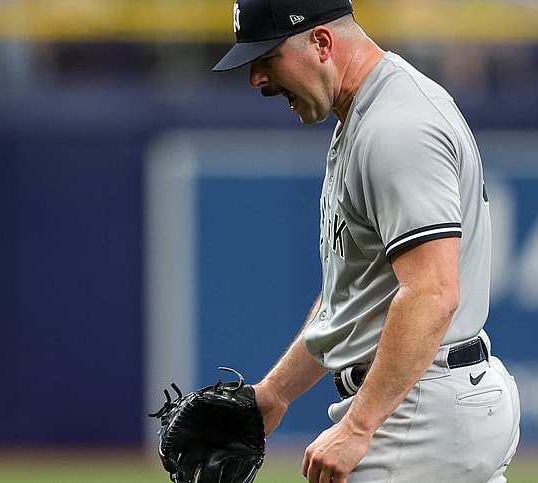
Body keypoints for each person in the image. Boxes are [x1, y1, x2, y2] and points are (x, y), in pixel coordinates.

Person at [212, 0, 520, 481]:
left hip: (420, 412)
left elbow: (432, 293)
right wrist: (276, 392)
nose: (258, 80)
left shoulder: (396, 128)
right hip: (432, 397)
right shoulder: (366, 112)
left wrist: (358, 426)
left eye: (267, 59)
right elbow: (356, 298)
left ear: (320, 42)